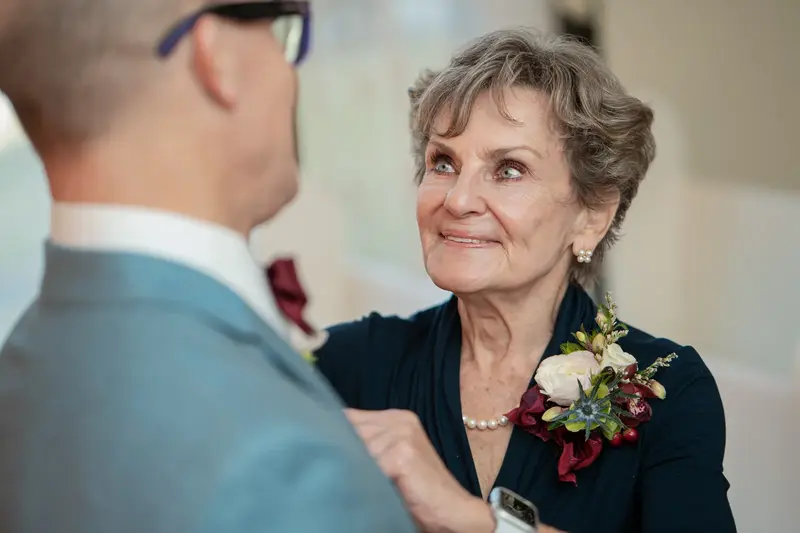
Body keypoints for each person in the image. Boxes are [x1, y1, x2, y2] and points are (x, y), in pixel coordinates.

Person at [0, 1, 415, 532]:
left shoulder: (23, 365)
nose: (290, 74)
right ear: (214, 53)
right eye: (279, 27)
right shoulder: (283, 467)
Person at [315, 29, 737, 533]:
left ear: (592, 215)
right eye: (443, 162)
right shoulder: (351, 364)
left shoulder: (665, 390)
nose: (457, 200)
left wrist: (472, 520)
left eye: (509, 169)